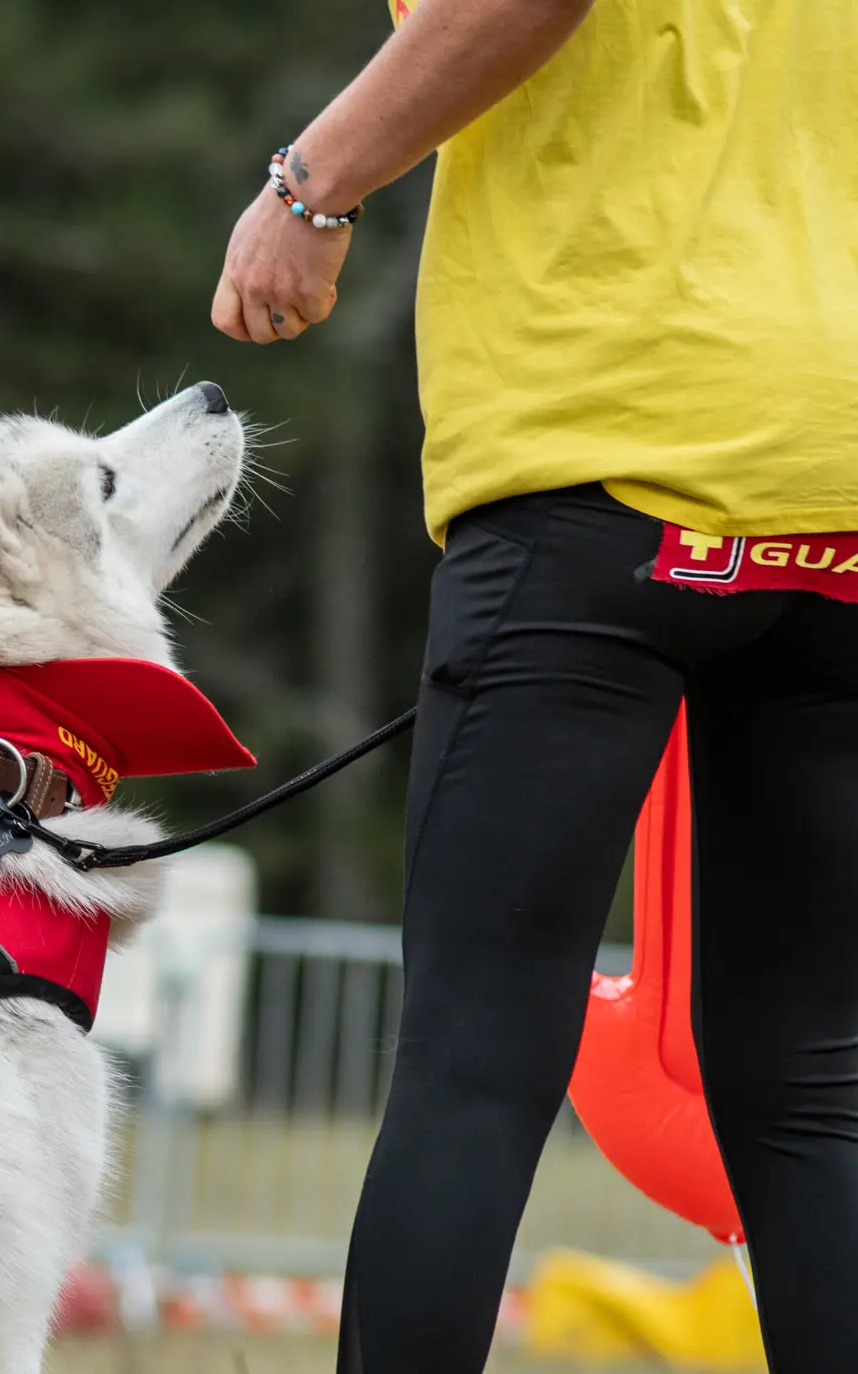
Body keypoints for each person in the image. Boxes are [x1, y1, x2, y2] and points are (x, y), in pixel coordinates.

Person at [211, 1, 858, 1370]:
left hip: (610, 448)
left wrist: (308, 188)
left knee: (475, 1059)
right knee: (809, 1082)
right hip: (834, 483)